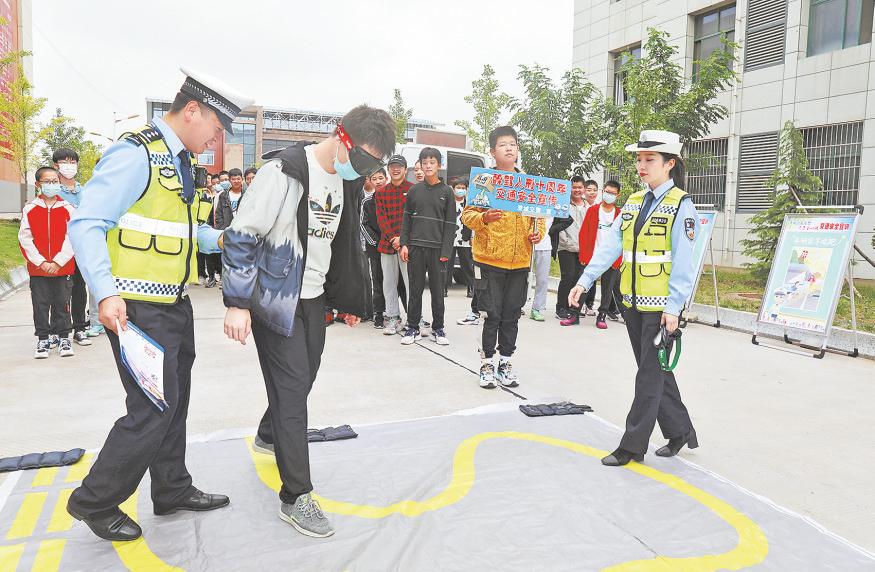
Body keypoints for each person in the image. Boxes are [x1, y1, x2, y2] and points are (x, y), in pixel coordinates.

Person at [66, 69, 251, 542]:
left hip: (173, 304)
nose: (215, 139)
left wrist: (223, 238)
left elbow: (182, 232)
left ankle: (170, 489)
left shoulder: (179, 162)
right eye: (215, 127)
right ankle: (95, 500)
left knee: (175, 402)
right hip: (134, 307)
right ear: (193, 110)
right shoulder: (136, 154)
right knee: (151, 408)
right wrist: (106, 293)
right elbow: (87, 223)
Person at [223, 104, 395, 538]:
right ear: (342, 138)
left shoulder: (346, 181)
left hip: (314, 298)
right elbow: (242, 235)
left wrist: (350, 298)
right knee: (294, 390)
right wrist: (237, 302)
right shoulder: (283, 173)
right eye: (365, 160)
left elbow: (343, 247)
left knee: (304, 379)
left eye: (376, 164)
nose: (368, 171)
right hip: (276, 299)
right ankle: (296, 495)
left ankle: (268, 433)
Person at [569, 130, 700, 467]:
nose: (642, 166)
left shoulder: (682, 206)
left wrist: (674, 308)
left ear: (669, 164)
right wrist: (584, 281)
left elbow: (685, 263)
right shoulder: (634, 202)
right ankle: (681, 430)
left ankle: (632, 446)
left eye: (650, 160)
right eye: (639, 160)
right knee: (653, 369)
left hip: (661, 310)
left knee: (648, 376)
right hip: (632, 303)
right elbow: (610, 247)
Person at [461, 126, 545, 389]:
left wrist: (537, 233)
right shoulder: (484, 182)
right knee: (490, 314)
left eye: (513, 144)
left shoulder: (528, 183)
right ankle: (486, 363)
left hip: (520, 262)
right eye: (503, 145)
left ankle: (505, 362)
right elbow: (467, 216)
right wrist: (484, 217)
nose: (509, 148)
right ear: (492, 152)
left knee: (511, 315)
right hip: (488, 261)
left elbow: (538, 217)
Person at [399, 147, 456, 346]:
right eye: (424, 162)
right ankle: (412, 327)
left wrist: (446, 251)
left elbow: (450, 225)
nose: (428, 165)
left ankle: (438, 328)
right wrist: (404, 244)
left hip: (438, 249)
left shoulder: (447, 192)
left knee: (438, 292)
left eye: (432, 162)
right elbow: (406, 220)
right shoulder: (414, 191)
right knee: (414, 290)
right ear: (420, 166)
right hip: (415, 247)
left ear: (439, 165)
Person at [19, 167, 77, 359]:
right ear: (38, 184)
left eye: (55, 181)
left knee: (63, 303)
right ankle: (43, 338)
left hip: (64, 268)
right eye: (47, 181)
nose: (52, 185)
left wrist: (59, 261)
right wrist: (42, 262)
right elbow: (25, 239)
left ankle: (63, 338)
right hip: (38, 270)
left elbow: (73, 237)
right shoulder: (30, 209)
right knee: (41, 304)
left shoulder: (69, 208)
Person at [52, 148, 93, 346]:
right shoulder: (52, 192)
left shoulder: (85, 191)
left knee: (79, 290)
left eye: (72, 161)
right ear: (56, 166)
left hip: (81, 248)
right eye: (64, 161)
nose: (69, 165)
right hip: (60, 249)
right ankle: (57, 330)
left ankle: (79, 328)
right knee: (59, 291)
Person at [577, 180, 623, 329]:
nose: (609, 195)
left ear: (618, 195)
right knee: (585, 284)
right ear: (603, 192)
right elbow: (583, 234)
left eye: (613, 193)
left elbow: (622, 239)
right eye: (607, 192)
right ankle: (574, 312)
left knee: (607, 288)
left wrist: (619, 259)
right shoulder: (593, 210)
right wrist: (583, 255)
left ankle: (602, 315)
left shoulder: (620, 214)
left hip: (611, 258)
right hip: (593, 255)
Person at [376, 154, 412, 335]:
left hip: (407, 246)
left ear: (406, 169)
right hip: (387, 244)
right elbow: (381, 219)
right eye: (392, 166)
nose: (396, 169)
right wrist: (393, 238)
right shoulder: (381, 192)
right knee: (388, 283)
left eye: (399, 166)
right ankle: (392, 317)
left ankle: (414, 319)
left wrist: (403, 240)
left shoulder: (414, 190)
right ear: (388, 170)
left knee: (411, 283)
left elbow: (415, 218)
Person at [556, 176, 592, 326]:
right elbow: (558, 228)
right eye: (574, 187)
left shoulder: (589, 207)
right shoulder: (563, 205)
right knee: (568, 276)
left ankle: (574, 307)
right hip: (566, 247)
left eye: (579, 187)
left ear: (584, 189)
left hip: (583, 249)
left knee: (580, 278)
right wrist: (568, 243)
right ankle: (561, 307)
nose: (577, 190)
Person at [362, 169, 387, 327]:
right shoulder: (367, 202)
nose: (378, 181)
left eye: (381, 178)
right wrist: (376, 243)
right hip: (376, 248)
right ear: (370, 181)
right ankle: (379, 313)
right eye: (374, 179)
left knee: (397, 283)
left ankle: (396, 312)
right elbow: (363, 225)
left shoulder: (393, 197)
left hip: (394, 247)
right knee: (377, 282)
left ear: (386, 178)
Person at [448, 177, 474, 296]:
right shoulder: (448, 202)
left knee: (467, 264)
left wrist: (472, 237)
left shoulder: (469, 204)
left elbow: (473, 221)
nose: (461, 190)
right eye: (458, 188)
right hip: (450, 238)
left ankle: (471, 288)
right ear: (453, 189)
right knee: (447, 264)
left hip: (465, 238)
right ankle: (444, 287)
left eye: (463, 188)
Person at [213, 167, 245, 231]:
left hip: (242, 229)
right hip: (226, 230)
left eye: (238, 179)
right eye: (233, 179)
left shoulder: (246, 195)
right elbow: (218, 214)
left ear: (242, 179)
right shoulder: (223, 195)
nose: (236, 181)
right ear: (229, 180)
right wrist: (221, 228)